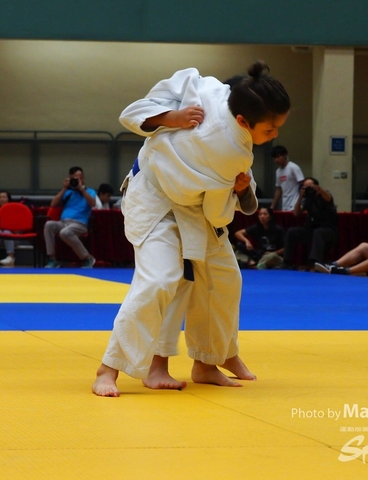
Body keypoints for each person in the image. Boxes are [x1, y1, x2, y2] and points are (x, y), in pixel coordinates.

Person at [92, 60, 290, 397]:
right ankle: (108, 368)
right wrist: (171, 117)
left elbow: (213, 207)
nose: (275, 136)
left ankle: (209, 362)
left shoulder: (214, 90)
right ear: (243, 120)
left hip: (193, 206)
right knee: (160, 280)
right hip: (155, 198)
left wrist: (241, 190)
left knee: (224, 279)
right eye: (270, 130)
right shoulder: (230, 149)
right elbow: (218, 214)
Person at [43, 166, 97, 268]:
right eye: (74, 178)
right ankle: (52, 259)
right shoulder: (68, 192)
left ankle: (87, 258)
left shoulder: (90, 191)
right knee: (49, 225)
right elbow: (53, 204)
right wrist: (64, 188)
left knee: (65, 232)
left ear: (83, 179)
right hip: (64, 222)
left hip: (79, 224)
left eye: (80, 178)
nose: (78, 180)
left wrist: (81, 189)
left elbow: (93, 204)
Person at [282, 177, 338, 270]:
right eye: (305, 187)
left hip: (328, 230)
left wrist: (320, 189)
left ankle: (314, 263)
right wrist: (300, 196)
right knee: (291, 232)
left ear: (316, 186)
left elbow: (328, 199)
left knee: (318, 232)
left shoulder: (324, 194)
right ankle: (286, 262)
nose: (308, 189)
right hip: (311, 229)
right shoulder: (307, 198)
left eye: (310, 186)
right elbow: (296, 213)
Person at [270, 145, 304, 212]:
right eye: (274, 158)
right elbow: (279, 189)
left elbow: (302, 184)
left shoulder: (293, 167)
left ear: (285, 155)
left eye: (278, 157)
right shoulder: (278, 171)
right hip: (285, 205)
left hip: (295, 204)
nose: (276, 160)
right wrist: (272, 206)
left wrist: (301, 202)